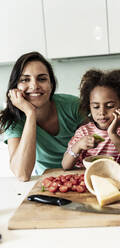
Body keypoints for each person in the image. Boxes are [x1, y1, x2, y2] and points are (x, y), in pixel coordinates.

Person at [0, 52, 84, 181]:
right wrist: (30, 113)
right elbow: (22, 174)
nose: (34, 86)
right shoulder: (13, 120)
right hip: (47, 181)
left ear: (51, 84)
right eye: (25, 79)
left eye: (42, 79)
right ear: (15, 86)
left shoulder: (73, 106)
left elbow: (98, 147)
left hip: (82, 176)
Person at [62, 69, 120, 170]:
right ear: (89, 106)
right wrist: (78, 146)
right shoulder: (84, 131)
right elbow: (65, 166)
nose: (102, 112)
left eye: (110, 106)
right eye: (96, 107)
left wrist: (112, 134)